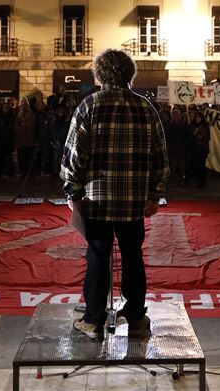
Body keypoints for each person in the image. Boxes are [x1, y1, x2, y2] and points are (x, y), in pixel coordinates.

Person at [61, 48, 169, 339]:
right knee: (133, 257)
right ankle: (135, 319)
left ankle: (94, 321)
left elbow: (73, 156)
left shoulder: (89, 106)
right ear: (129, 74)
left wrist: (72, 190)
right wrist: (154, 195)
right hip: (133, 202)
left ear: (100, 74)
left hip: (97, 201)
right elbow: (161, 158)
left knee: (97, 256)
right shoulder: (147, 108)